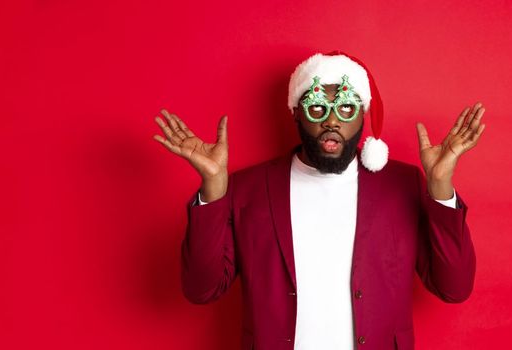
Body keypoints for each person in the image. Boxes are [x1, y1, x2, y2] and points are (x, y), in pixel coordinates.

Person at [153, 51, 485, 350]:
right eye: (316, 107)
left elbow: (453, 288)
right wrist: (213, 187)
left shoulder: (402, 184)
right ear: (297, 113)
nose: (331, 121)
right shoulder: (247, 189)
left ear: (362, 115)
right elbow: (201, 289)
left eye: (345, 107)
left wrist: (440, 186)